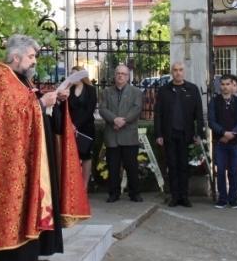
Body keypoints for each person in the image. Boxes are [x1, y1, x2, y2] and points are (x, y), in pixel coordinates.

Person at [0, 34, 90, 261]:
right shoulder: (5, 82)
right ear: (16, 57)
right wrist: (41, 103)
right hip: (13, 161)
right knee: (17, 206)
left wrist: (55, 100)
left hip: (29, 156)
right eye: (31, 56)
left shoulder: (21, 80)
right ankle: (15, 260)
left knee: (32, 204)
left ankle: (31, 256)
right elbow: (13, 118)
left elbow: (29, 105)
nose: (34, 61)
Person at [153, 61, 204, 208]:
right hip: (169, 135)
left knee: (184, 166)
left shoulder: (192, 89)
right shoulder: (164, 90)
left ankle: (184, 196)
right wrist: (158, 134)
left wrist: (199, 133)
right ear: (171, 72)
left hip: (185, 135)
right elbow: (158, 114)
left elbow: (199, 113)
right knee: (172, 166)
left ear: (184, 71)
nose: (178, 73)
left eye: (181, 70)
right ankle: (175, 196)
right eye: (175, 70)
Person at [99, 65, 145, 203]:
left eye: (123, 74)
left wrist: (122, 121)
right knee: (113, 166)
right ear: (114, 76)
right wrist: (114, 119)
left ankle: (134, 193)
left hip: (129, 134)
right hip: (112, 135)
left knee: (131, 166)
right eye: (118, 73)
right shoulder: (106, 92)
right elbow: (102, 109)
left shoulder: (136, 92)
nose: (120, 75)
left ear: (128, 76)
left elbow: (136, 109)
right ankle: (114, 193)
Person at [208, 74, 237, 208]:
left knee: (233, 171)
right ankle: (222, 198)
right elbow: (211, 121)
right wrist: (223, 133)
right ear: (220, 86)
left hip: (234, 143)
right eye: (223, 84)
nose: (225, 87)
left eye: (228, 84)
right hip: (220, 143)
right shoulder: (214, 102)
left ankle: (232, 198)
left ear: (232, 86)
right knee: (220, 172)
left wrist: (232, 134)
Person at [62, 65, 98, 195]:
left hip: (86, 127)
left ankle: (85, 184)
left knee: (86, 155)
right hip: (70, 127)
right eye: (71, 74)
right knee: (73, 155)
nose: (73, 77)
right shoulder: (68, 90)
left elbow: (89, 110)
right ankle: (73, 183)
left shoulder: (90, 90)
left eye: (76, 74)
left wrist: (76, 125)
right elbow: (64, 108)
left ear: (82, 76)